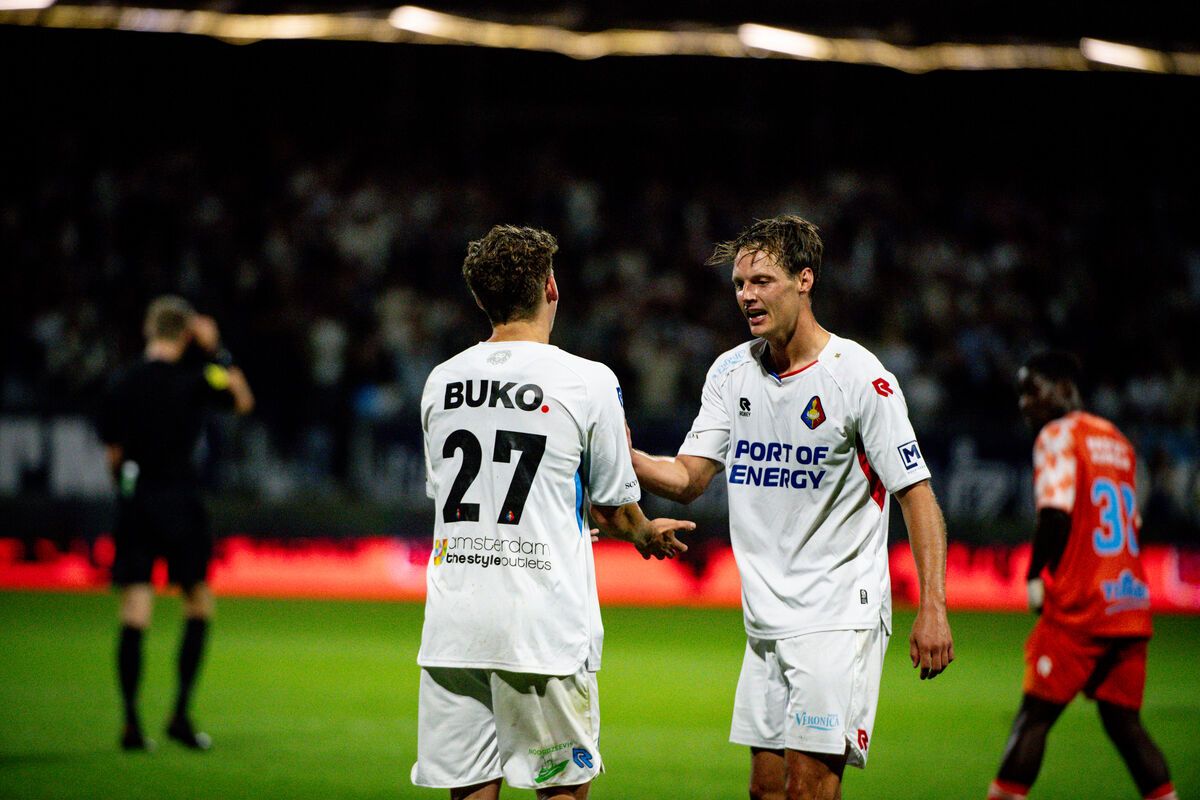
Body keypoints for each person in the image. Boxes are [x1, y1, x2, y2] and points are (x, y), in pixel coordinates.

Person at [629, 215, 954, 800]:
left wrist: (932, 605)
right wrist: (620, 452)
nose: (747, 296)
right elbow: (687, 477)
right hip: (766, 620)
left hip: (836, 613)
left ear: (805, 280)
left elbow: (917, 494)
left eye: (763, 280)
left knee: (809, 790)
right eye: (738, 284)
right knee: (766, 790)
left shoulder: (859, 379)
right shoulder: (731, 371)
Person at [410, 225, 693, 800]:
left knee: (468, 791)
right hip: (540, 624)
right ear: (551, 287)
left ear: (480, 299)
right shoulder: (587, 381)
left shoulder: (441, 381)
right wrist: (645, 533)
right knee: (560, 789)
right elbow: (615, 506)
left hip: (454, 623)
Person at [986, 352, 1176, 800]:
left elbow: (1055, 510)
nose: (1025, 402)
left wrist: (1035, 575)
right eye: (1021, 393)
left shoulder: (1057, 435)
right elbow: (1135, 524)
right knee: (1123, 723)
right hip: (1129, 600)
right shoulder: (1119, 441)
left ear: (1067, 389)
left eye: (1034, 389)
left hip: (1082, 604)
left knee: (1033, 717)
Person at [96, 295, 255, 752]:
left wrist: (131, 490)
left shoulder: (123, 383)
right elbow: (242, 400)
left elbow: (113, 456)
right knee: (198, 603)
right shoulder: (197, 377)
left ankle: (130, 724)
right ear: (187, 333)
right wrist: (217, 349)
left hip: (138, 499)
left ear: (150, 329)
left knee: (135, 611)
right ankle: (180, 715)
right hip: (182, 500)